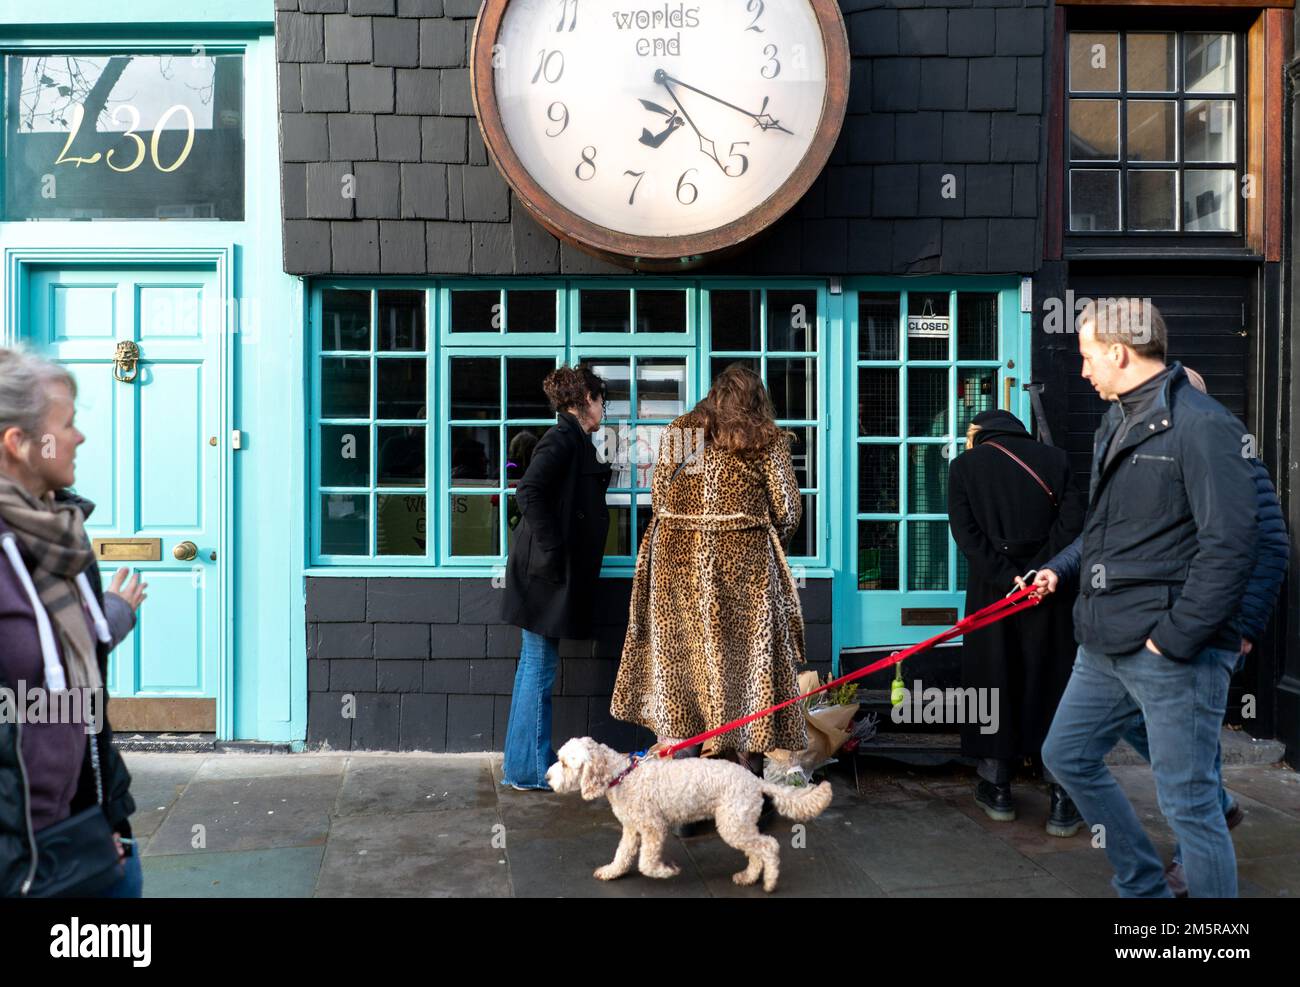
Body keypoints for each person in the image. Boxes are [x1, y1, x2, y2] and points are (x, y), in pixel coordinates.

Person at [1035, 299, 1257, 898]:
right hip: (1102, 641)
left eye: (1086, 358)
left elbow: (1233, 544)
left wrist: (1173, 640)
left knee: (1191, 806)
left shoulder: (1204, 425)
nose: (1083, 372)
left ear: (1118, 351)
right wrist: (1059, 570)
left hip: (1169, 651)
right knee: (1066, 755)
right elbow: (1107, 531)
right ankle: (1142, 883)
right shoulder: (1117, 421)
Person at [1120, 367, 1288, 896]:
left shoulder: (1226, 452)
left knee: (1190, 754)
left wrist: (1243, 625)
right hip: (1157, 626)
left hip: (1210, 631)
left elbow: (1272, 543)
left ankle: (1197, 862)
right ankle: (1218, 806)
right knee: (1125, 721)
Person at [0, 347, 146, 897]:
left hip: (87, 839)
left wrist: (96, 823)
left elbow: (70, 685)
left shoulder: (61, 532)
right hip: (23, 866)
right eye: (68, 424)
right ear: (18, 443)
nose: (80, 437)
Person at [611, 364, 808, 769]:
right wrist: (760, 539)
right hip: (745, 571)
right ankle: (743, 780)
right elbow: (788, 510)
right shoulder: (765, 439)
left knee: (680, 671)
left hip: (675, 567)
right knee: (747, 670)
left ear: (714, 394)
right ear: (756, 399)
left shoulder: (685, 431)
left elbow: (660, 497)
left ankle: (682, 779)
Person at [947, 409, 1084, 833]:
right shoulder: (1057, 459)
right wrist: (1042, 573)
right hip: (1049, 590)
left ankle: (997, 786)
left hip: (994, 590)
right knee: (1053, 680)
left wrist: (1007, 578)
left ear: (978, 434)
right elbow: (1075, 524)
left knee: (993, 679)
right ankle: (1061, 794)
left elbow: (966, 534)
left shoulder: (963, 466)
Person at [500, 365, 611, 790]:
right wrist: (556, 548)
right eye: (601, 399)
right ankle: (528, 768)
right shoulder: (562, 438)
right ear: (585, 400)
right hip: (544, 577)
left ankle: (523, 764)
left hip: (544, 578)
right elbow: (527, 491)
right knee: (539, 670)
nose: (604, 408)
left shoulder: (571, 438)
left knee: (534, 666)